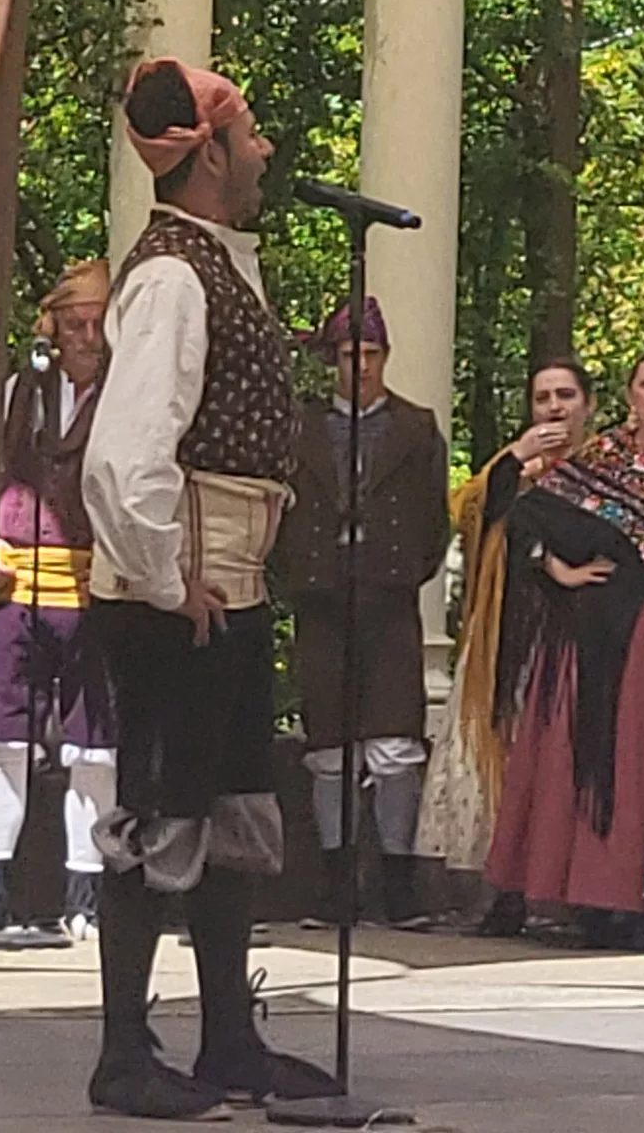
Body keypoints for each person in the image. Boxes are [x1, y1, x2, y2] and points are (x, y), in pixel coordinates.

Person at [79, 55, 328, 1116]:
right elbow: (122, 453)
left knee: (229, 811)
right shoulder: (173, 278)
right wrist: (162, 577)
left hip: (227, 583)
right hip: (177, 595)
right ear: (211, 153)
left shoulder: (215, 264)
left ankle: (229, 1038)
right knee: (160, 813)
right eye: (251, 133)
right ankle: (122, 1054)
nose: (265, 150)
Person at [484, 352, 644, 948]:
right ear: (630, 395)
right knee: (602, 756)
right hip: (597, 633)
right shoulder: (594, 462)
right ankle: (600, 897)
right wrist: (557, 569)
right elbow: (521, 519)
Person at [280, 294, 451, 930]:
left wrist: (401, 571)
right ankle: (336, 885)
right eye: (352, 355)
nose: (363, 366)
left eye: (372, 354)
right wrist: (298, 570)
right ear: (335, 360)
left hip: (388, 599)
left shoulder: (416, 428)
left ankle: (399, 884)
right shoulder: (300, 427)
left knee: (396, 746)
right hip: (321, 597)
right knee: (330, 749)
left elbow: (434, 520)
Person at [417, 358, 592, 938]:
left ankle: (563, 895)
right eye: (543, 397)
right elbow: (469, 513)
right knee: (502, 759)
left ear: (588, 405)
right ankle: (504, 892)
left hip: (573, 634)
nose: (554, 407)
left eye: (566, 395)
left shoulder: (604, 469)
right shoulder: (509, 467)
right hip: (505, 629)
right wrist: (517, 460)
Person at [0, 258, 118, 945]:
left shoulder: (129, 398)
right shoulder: (17, 393)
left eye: (97, 325)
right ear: (51, 330)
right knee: (1, 743)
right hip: (17, 585)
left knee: (96, 752)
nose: (86, 338)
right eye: (74, 324)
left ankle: (85, 897)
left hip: (97, 589)